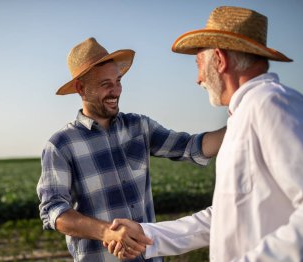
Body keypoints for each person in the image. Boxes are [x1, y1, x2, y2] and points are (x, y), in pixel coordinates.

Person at [107, 6, 303, 261]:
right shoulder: (245, 115)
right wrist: (146, 233)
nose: (198, 79)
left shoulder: (271, 104)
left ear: (219, 60)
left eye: (199, 64)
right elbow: (225, 216)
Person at [36, 37, 226, 261]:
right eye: (105, 84)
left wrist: (241, 122)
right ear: (81, 88)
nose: (116, 91)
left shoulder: (139, 127)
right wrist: (108, 232)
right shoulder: (61, 145)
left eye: (118, 81)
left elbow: (192, 146)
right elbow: (55, 212)